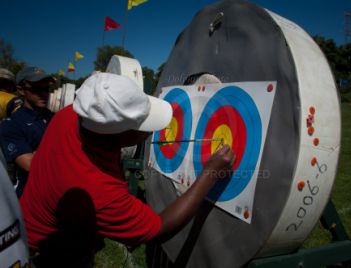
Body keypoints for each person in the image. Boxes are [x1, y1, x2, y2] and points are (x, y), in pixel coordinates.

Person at [20, 72, 235, 267]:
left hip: (44, 230)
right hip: (50, 256)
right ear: (117, 135)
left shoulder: (75, 116)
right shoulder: (98, 191)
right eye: (143, 126)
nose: (150, 133)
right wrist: (209, 174)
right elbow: (159, 230)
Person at [0, 67, 55, 197]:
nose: (44, 94)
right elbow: (30, 164)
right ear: (21, 90)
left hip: (54, 192)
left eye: (47, 89)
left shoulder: (54, 117)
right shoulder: (11, 124)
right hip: (28, 195)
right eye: (37, 89)